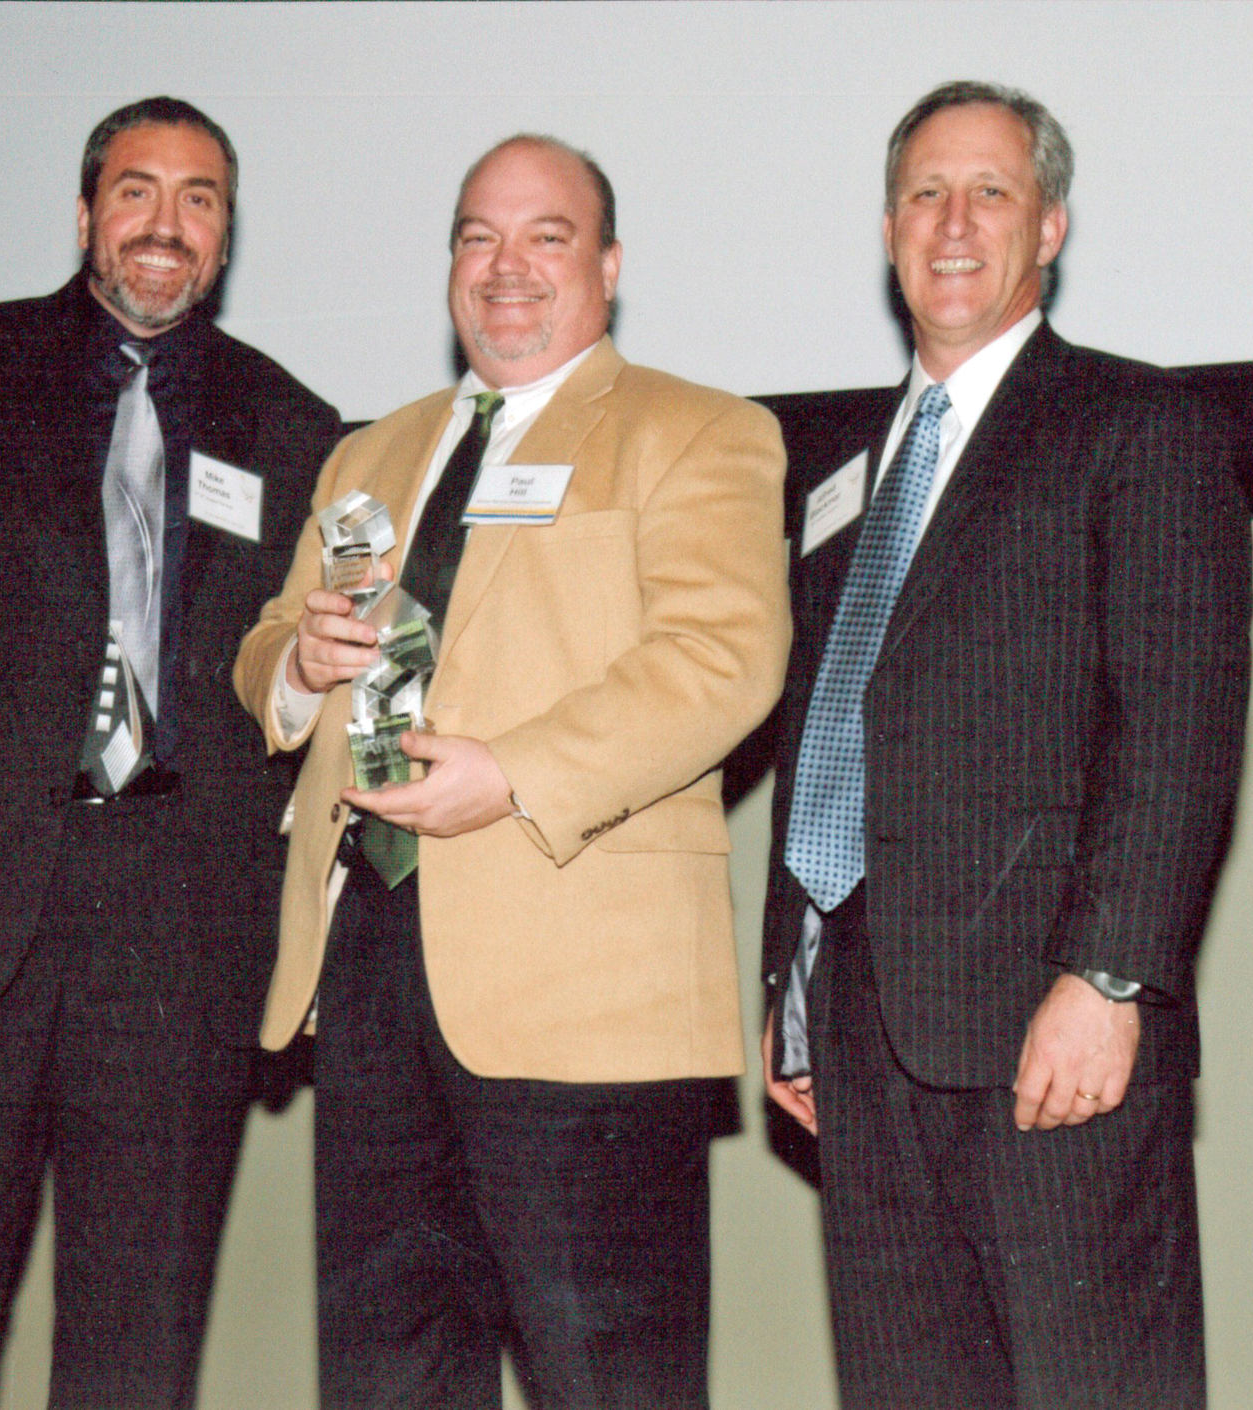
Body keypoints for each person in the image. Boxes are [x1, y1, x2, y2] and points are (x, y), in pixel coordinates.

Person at [233, 133, 789, 1408]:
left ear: (608, 264)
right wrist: (302, 667)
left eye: (546, 236)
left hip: (584, 989)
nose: (507, 267)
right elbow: (271, 640)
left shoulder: (699, 431)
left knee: (608, 1383)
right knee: (388, 1379)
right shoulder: (366, 454)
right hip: (369, 970)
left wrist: (515, 773)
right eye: (478, 236)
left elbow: (722, 658)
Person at [0, 96, 342, 1408]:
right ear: (87, 212)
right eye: (139, 190)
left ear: (227, 233)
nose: (167, 224)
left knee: (135, 1352)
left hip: (179, 939)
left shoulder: (292, 424)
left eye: (201, 198)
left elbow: (298, 692)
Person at [761, 81, 1251, 1408]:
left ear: (1050, 228)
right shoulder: (836, 473)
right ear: (887, 230)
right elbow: (832, 720)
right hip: (866, 1043)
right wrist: (794, 985)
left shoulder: (1136, 427)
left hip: (1055, 1030)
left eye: (990, 191)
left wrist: (1112, 975)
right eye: (926, 192)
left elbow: (1182, 722)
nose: (954, 221)